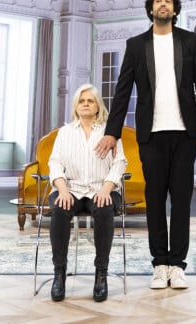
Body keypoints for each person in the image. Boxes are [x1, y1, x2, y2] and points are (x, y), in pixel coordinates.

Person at [95, 0, 196, 290]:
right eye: (158, 1)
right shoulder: (136, 45)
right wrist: (112, 132)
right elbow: (122, 92)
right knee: (156, 200)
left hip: (185, 133)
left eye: (168, 1)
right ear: (151, 9)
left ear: (175, 10)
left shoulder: (190, 41)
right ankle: (160, 264)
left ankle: (179, 265)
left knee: (182, 200)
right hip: (151, 135)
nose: (163, 5)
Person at [48, 83, 127, 303]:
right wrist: (62, 190)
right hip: (70, 190)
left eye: (90, 101)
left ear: (97, 106)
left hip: (100, 189)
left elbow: (119, 163)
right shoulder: (65, 133)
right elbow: (54, 163)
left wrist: (106, 188)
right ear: (76, 106)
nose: (85, 104)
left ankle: (101, 274)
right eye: (81, 101)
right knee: (60, 208)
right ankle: (59, 274)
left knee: (103, 207)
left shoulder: (109, 133)